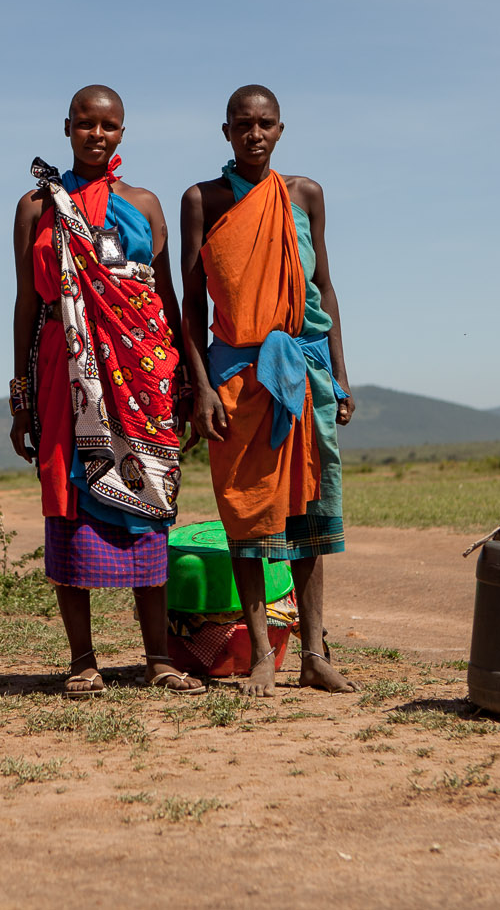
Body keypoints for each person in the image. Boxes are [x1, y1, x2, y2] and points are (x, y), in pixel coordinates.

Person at [9, 86, 203, 697]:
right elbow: (26, 300)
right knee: (69, 496)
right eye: (86, 124)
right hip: (62, 372)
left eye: (109, 125)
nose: (97, 134)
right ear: (67, 127)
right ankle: (82, 660)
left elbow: (166, 296)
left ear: (123, 132)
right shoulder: (37, 205)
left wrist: (190, 378)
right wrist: (19, 395)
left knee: (147, 495)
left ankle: (158, 657)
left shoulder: (143, 204)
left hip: (141, 371)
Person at [178, 85, 358, 697]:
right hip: (236, 380)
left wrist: (339, 373)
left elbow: (325, 287)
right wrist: (199, 385)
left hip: (303, 375)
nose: (255, 134)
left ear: (281, 129)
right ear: (225, 132)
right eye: (243, 125)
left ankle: (314, 654)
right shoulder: (203, 199)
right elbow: (192, 301)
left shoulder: (304, 196)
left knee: (309, 515)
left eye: (266, 124)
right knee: (248, 515)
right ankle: (261, 653)